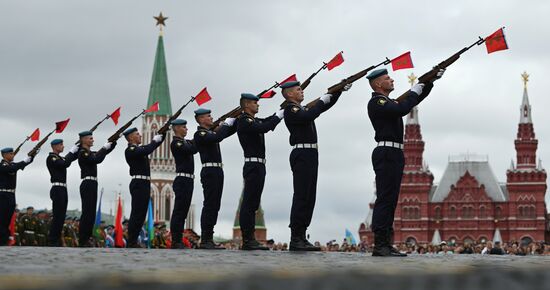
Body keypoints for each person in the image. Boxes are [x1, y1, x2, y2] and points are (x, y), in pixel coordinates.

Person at [366, 68, 444, 257]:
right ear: (378, 84)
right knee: (385, 198)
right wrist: (416, 87)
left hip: (395, 152)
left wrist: (429, 82)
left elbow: (412, 101)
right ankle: (380, 244)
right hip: (386, 152)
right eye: (387, 78)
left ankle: (385, 243)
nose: (392, 80)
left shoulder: (388, 102)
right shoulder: (377, 102)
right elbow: (402, 108)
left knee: (391, 199)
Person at [281, 80, 352, 251]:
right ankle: (296, 237)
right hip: (302, 153)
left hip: (310, 154)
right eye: (298, 90)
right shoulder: (291, 109)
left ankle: (302, 235)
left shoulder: (302, 108)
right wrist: (323, 99)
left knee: (309, 196)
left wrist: (337, 92)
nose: (302, 91)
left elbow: (322, 108)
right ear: (289, 94)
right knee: (302, 195)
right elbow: (310, 114)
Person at [236, 93, 283, 250]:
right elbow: (265, 127)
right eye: (255, 103)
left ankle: (251, 238)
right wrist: (279, 116)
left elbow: (266, 121)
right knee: (249, 203)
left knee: (254, 203)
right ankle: (247, 239)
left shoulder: (252, 120)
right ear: (247, 104)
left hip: (259, 166)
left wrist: (278, 113)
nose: (258, 105)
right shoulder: (244, 121)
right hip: (252, 166)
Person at [193, 108, 237, 249]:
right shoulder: (200, 134)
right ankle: (206, 239)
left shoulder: (210, 132)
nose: (211, 118)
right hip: (209, 171)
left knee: (215, 205)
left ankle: (209, 237)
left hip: (217, 170)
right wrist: (225, 124)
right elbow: (218, 137)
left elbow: (227, 133)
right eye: (208, 116)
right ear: (200, 119)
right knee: (210, 204)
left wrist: (235, 119)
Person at [123, 127, 164, 248]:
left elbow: (151, 147)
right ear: (130, 137)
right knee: (136, 213)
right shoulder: (131, 150)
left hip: (144, 183)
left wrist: (163, 133)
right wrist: (155, 140)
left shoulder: (139, 149)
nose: (140, 135)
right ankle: (132, 240)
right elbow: (148, 149)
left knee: (141, 214)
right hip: (138, 182)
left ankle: (134, 240)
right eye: (137, 134)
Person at [77, 131, 116, 247]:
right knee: (87, 213)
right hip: (87, 182)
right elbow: (96, 159)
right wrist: (105, 147)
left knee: (91, 214)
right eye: (90, 138)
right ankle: (83, 239)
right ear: (83, 140)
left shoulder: (89, 152)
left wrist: (113, 142)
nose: (92, 140)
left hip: (93, 183)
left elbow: (101, 155)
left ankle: (87, 237)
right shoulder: (82, 152)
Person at [169, 119, 198, 249]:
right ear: (177, 128)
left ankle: (178, 239)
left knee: (184, 210)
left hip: (188, 180)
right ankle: (176, 240)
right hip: (182, 180)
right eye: (184, 127)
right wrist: (201, 136)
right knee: (179, 211)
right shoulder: (176, 143)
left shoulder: (185, 142)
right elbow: (193, 149)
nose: (186, 129)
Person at [46, 139, 79, 246]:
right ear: (54, 146)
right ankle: (53, 239)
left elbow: (69, 159)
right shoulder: (52, 157)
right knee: (57, 216)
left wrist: (77, 150)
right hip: (57, 188)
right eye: (61, 145)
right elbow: (65, 163)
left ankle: (56, 239)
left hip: (63, 189)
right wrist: (71, 152)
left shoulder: (59, 158)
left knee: (61, 216)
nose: (63, 146)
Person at [0, 147, 33, 246]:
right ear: (4, 155)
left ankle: (4, 240)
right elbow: (13, 168)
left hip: (11, 195)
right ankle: (2, 240)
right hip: (3, 195)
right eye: (10, 154)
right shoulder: (2, 165)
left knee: (7, 219)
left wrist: (32, 155)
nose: (12, 155)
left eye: (13, 153)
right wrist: (24, 161)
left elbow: (22, 164)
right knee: (2, 219)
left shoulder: (13, 165)